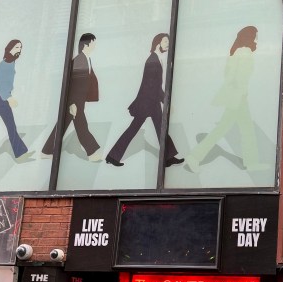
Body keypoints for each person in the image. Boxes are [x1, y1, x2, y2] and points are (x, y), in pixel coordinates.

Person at [185, 26, 267, 174]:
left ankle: (251, 163)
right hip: (238, 97)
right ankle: (194, 157)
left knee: (238, 129)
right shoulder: (244, 52)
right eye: (255, 34)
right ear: (249, 36)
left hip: (237, 96)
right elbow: (238, 75)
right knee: (230, 129)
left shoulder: (237, 52)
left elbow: (228, 74)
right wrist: (240, 92)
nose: (257, 37)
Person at [106, 33, 183, 168]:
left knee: (160, 129)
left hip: (151, 102)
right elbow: (152, 86)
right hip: (147, 103)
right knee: (135, 129)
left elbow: (154, 86)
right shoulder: (152, 60)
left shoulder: (156, 59)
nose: (168, 44)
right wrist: (165, 101)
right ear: (158, 43)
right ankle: (112, 157)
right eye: (165, 41)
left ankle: (168, 157)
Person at [42, 32, 101, 161]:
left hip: (78, 100)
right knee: (81, 125)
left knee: (62, 125)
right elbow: (74, 83)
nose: (94, 45)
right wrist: (73, 103)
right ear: (86, 44)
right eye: (93, 43)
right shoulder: (80, 60)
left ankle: (47, 151)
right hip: (75, 100)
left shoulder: (86, 59)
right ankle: (92, 152)